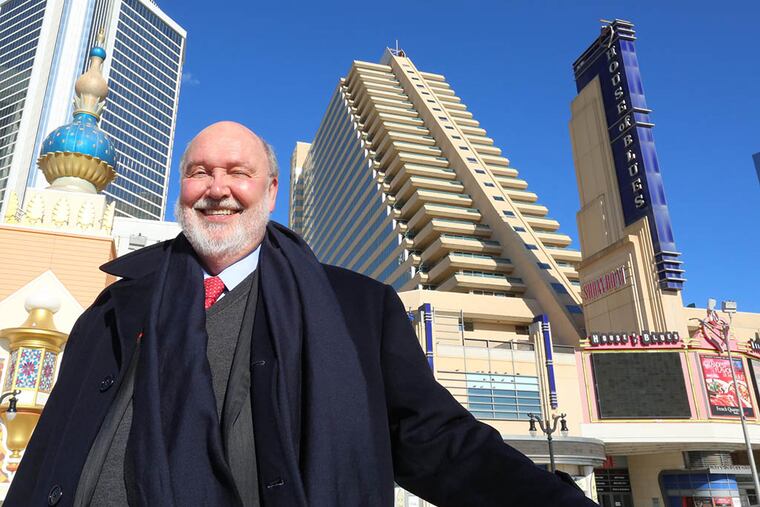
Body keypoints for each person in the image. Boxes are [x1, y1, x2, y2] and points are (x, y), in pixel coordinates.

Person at [7, 121, 598, 506]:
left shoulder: (355, 309)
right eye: (199, 172)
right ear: (179, 189)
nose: (218, 188)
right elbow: (50, 447)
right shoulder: (116, 306)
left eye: (239, 172)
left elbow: (434, 441)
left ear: (270, 192)